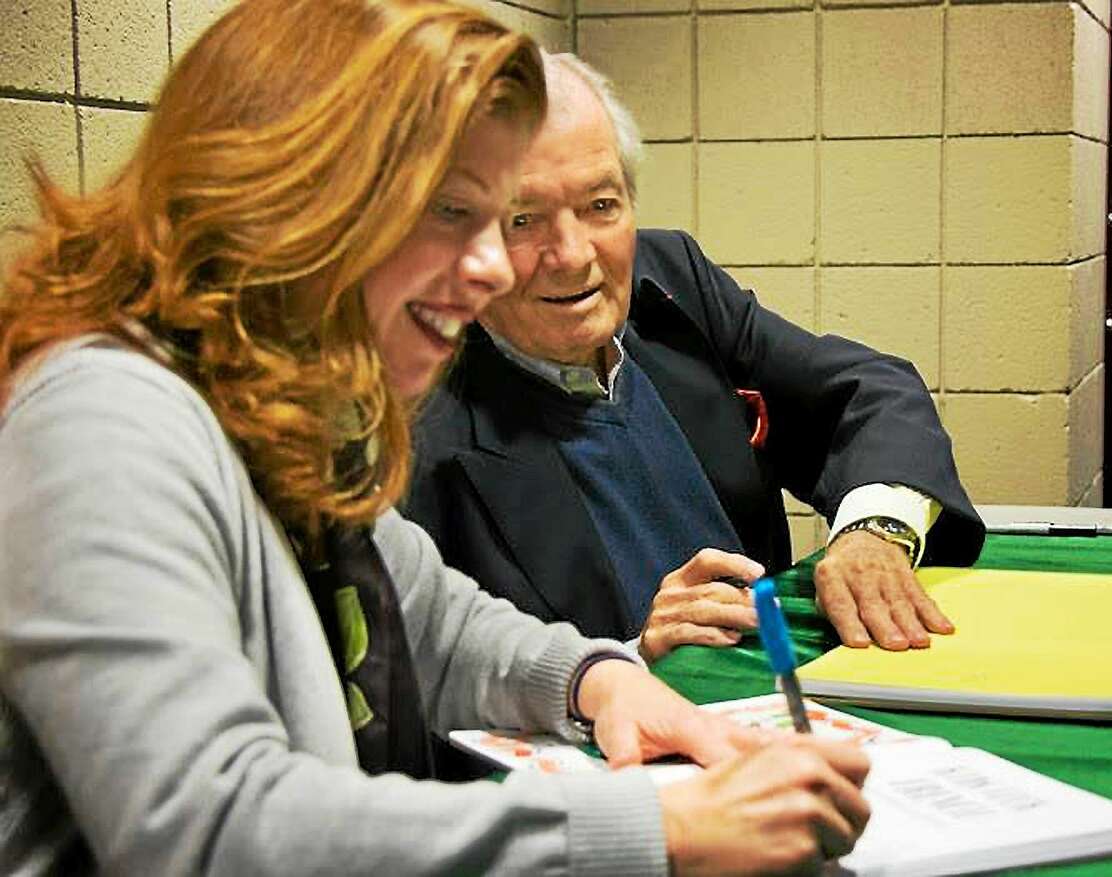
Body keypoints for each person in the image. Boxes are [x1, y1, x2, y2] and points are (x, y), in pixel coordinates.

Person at [0, 2, 872, 874]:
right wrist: (660, 831)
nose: (496, 265)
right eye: (452, 210)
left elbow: (433, 621)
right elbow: (208, 829)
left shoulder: (274, 405)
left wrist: (594, 680)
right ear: (291, 199)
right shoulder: (102, 423)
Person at [406, 52, 987, 662]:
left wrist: (875, 531)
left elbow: (869, 390)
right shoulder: (416, 416)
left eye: (601, 206)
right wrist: (629, 658)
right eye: (522, 220)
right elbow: (432, 694)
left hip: (781, 692)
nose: (574, 255)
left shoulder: (671, 279)